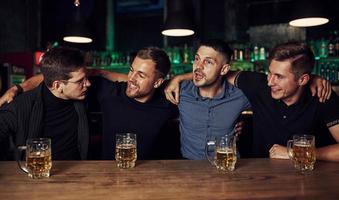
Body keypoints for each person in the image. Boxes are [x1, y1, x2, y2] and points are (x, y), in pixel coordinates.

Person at [166, 41, 339, 161]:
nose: (270, 81)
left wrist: (298, 153)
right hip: (259, 175)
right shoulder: (258, 85)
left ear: (303, 80)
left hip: (310, 175)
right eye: (269, 73)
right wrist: (179, 78)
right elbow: (215, 74)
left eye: (278, 76)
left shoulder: (322, 95)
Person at [0, 47, 179, 160]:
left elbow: (202, 87)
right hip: (40, 179)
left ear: (157, 82)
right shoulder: (22, 106)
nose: (88, 84)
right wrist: (19, 87)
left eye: (141, 75)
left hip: (145, 179)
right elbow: (54, 75)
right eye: (131, 71)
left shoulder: (170, 99)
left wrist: (179, 78)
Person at [0, 47, 91, 160]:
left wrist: (19, 87)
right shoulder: (20, 106)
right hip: (37, 172)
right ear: (57, 85)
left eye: (86, 78)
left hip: (79, 172)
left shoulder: (84, 94)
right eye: (80, 81)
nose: (88, 84)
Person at [171, 40, 250, 159]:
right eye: (197, 59)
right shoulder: (179, 91)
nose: (198, 66)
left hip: (228, 164)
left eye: (208, 62)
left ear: (224, 69)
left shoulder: (240, 95)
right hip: (189, 167)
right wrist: (177, 78)